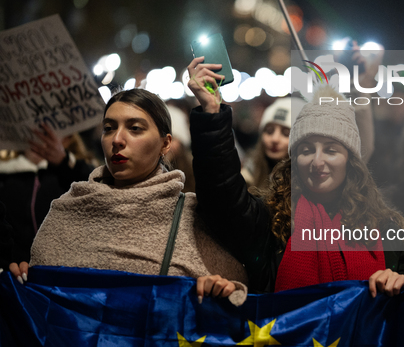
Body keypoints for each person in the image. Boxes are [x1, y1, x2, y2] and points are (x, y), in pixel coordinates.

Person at [187, 56, 404, 297]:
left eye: (331, 150)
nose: (317, 161)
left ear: (351, 161)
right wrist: (211, 113)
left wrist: (402, 282)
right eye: (306, 150)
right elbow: (221, 195)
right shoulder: (272, 224)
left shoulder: (385, 228)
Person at [9, 89, 248, 306]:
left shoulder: (195, 217)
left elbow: (238, 302)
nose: (117, 140)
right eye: (109, 128)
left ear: (166, 144)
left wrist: (223, 291)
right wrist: (22, 279)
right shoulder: (67, 208)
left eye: (135, 128)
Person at [0, 128, 96, 269]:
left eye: (46, 134)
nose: (39, 139)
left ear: (67, 138)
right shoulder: (5, 176)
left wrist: (63, 162)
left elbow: (95, 192)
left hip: (65, 270)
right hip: (15, 271)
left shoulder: (76, 172)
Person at [241, 96, 307, 190]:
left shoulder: (308, 184)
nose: (275, 139)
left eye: (286, 133)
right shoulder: (248, 174)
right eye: (269, 131)